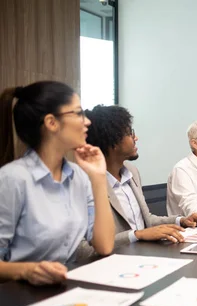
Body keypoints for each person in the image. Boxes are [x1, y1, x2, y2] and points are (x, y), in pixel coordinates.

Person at [0, 81, 115, 285]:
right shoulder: (13, 179)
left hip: (64, 289)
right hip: (18, 299)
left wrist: (98, 178)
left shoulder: (79, 176)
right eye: (78, 113)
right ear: (52, 122)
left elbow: (105, 245)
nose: (87, 121)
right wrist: (27, 270)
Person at [85, 105, 197, 248]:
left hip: (142, 255)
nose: (136, 138)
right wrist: (137, 234)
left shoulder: (132, 172)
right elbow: (87, 247)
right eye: (130, 133)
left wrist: (181, 220)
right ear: (112, 141)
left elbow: (147, 220)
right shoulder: (89, 184)